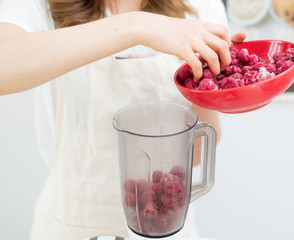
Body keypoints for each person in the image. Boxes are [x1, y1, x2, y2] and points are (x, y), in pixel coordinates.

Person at [0, 0, 246, 239]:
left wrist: (213, 81)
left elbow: (199, 151)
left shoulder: (199, 6)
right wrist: (136, 27)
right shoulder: (41, 4)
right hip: (71, 222)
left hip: (165, 222)